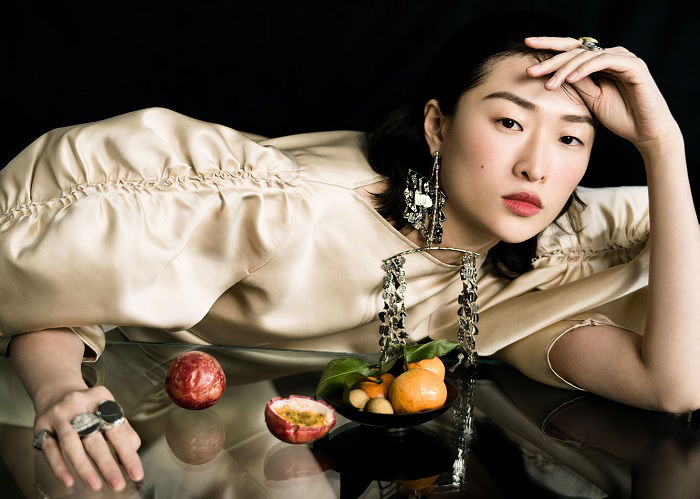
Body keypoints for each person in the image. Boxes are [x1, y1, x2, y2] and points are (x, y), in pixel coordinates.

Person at [0, 9, 695, 493]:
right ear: (436, 124)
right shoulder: (289, 207)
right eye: (510, 121)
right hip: (83, 389)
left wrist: (663, 145)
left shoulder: (536, 268)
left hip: (251, 424)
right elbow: (47, 286)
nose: (538, 167)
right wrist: (64, 388)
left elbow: (673, 385)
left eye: (572, 138)